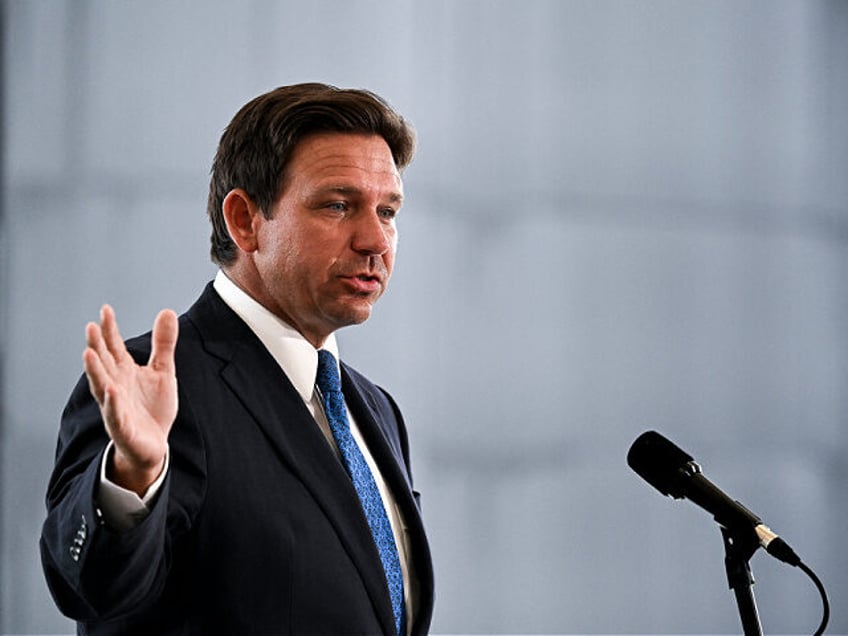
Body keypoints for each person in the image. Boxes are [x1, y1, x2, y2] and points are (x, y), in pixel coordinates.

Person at [40, 83, 435, 635]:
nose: (375, 239)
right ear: (245, 220)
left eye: (388, 210)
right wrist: (133, 474)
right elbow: (92, 589)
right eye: (338, 205)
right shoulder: (156, 390)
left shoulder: (375, 409)